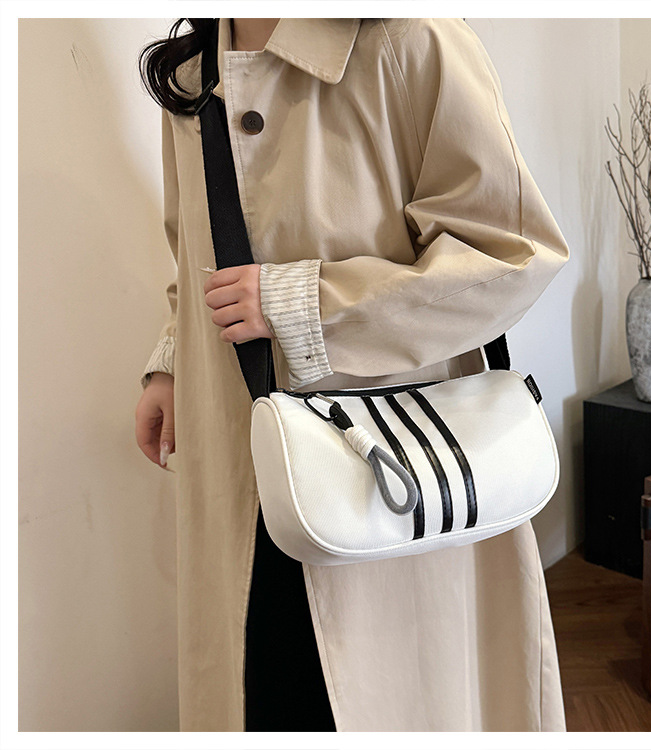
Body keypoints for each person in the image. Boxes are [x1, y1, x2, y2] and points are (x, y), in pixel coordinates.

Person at [135, 17, 570, 732]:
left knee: (388, 696)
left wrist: (305, 305)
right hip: (235, 445)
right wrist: (171, 365)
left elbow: (511, 253)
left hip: (394, 467)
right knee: (259, 682)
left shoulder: (411, 40)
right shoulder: (190, 78)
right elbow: (193, 252)